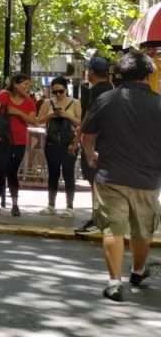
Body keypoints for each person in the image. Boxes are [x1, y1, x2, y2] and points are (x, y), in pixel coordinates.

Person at [81, 51, 161, 302]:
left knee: (112, 229)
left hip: (110, 175)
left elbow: (88, 135)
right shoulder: (159, 103)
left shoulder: (106, 99)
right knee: (142, 230)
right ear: (149, 75)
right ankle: (137, 271)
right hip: (147, 178)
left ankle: (114, 283)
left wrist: (90, 155)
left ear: (119, 75)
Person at [0, 73, 38, 216]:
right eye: (25, 84)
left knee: (12, 171)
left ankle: (15, 204)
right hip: (0, 140)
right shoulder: (4, 96)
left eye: (28, 85)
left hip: (19, 141)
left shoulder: (29, 102)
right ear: (15, 84)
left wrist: (18, 112)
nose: (27, 87)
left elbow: (33, 121)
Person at [76, 57, 114, 235]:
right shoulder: (112, 89)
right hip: (107, 140)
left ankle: (97, 218)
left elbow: (89, 118)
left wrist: (77, 138)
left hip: (96, 141)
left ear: (91, 72)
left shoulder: (96, 92)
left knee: (95, 181)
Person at [36, 76, 81, 217]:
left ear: (66, 90)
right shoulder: (47, 103)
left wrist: (66, 114)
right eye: (54, 92)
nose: (58, 95)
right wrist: (51, 115)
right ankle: (51, 205)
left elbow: (79, 122)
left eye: (60, 91)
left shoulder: (75, 103)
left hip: (69, 144)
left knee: (69, 174)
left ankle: (70, 206)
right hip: (52, 143)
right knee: (53, 174)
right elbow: (38, 120)